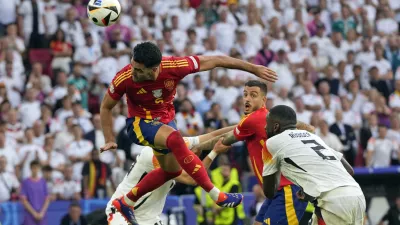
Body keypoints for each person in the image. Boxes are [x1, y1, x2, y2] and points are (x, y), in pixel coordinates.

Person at [99, 41, 277, 224]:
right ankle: (217, 195)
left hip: (149, 217)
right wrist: (109, 138)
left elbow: (215, 60)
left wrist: (247, 125)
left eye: (138, 70)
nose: (133, 72)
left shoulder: (174, 67)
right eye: (133, 66)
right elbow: (106, 106)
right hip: (139, 124)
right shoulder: (125, 79)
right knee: (175, 140)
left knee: (170, 170)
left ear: (154, 70)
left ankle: (126, 201)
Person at [193, 80, 315, 225]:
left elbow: (224, 139)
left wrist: (200, 146)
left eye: (253, 95)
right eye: (245, 94)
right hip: (278, 191)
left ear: (264, 100)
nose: (247, 98)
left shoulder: (255, 119)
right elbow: (309, 128)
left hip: (287, 189)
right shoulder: (264, 118)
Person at [106, 126, 234, 225]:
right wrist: (214, 152)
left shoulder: (175, 143)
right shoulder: (151, 154)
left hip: (150, 218)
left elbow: (213, 135)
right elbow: (191, 178)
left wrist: (244, 125)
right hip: (122, 214)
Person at [262, 105, 365, 225]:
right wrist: (309, 187)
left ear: (275, 126)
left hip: (333, 202)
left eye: (267, 123)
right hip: (356, 194)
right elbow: (349, 170)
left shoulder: (271, 143)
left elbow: (270, 192)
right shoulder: (313, 137)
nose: (264, 127)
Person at [20, 160, 51, 225]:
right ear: (30, 168)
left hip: (42, 215)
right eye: (34, 168)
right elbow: (24, 200)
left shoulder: (43, 182)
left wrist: (42, 213)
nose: (35, 170)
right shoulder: (26, 182)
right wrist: (34, 213)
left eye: (37, 167)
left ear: (39, 168)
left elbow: (47, 199)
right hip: (30, 215)